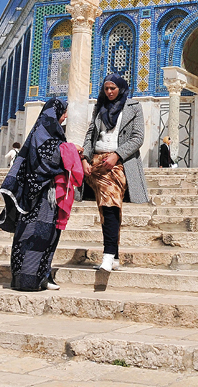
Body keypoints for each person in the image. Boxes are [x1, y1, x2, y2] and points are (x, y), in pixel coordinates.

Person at [0, 99, 81, 292]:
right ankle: (27, 280)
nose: (66, 116)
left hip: (47, 195)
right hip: (37, 196)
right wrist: (70, 149)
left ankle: (42, 276)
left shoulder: (50, 133)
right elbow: (45, 158)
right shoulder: (41, 133)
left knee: (47, 235)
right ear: (54, 113)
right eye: (63, 112)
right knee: (33, 235)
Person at [81, 73, 149, 272]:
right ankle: (114, 255)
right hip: (97, 162)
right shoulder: (99, 107)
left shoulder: (133, 107)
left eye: (113, 88)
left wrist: (116, 155)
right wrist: (85, 158)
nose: (109, 92)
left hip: (118, 163)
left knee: (110, 205)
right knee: (107, 207)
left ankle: (109, 255)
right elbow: (89, 136)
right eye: (106, 89)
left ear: (121, 88)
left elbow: (138, 137)